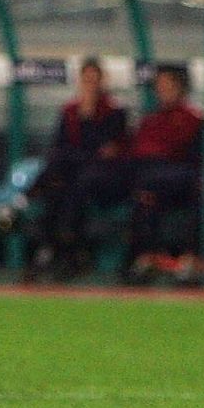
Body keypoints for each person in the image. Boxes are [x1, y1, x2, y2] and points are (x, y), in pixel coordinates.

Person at [23, 57, 128, 282]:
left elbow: (105, 150)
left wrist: (88, 118)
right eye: (85, 80)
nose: (89, 85)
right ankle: (52, 251)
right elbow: (60, 144)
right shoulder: (70, 110)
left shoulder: (113, 111)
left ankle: (64, 251)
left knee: (74, 186)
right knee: (58, 188)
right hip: (70, 172)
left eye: (94, 80)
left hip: (100, 177)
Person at [119, 64, 204, 285]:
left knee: (150, 190)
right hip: (148, 181)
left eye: (168, 86)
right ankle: (144, 260)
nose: (162, 90)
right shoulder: (151, 120)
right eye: (159, 86)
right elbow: (135, 151)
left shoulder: (192, 119)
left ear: (181, 88)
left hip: (182, 183)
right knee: (143, 194)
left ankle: (183, 261)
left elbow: (193, 158)